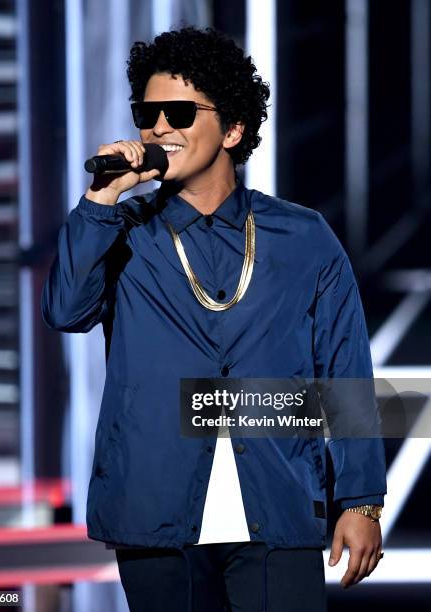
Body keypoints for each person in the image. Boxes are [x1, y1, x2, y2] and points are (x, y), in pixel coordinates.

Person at [41, 25, 387, 612]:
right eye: (146, 114)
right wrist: (101, 200)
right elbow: (65, 310)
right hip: (153, 506)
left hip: (277, 505)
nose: (158, 129)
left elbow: (345, 369)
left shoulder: (302, 236)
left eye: (177, 112)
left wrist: (361, 500)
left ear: (232, 129)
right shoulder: (121, 233)